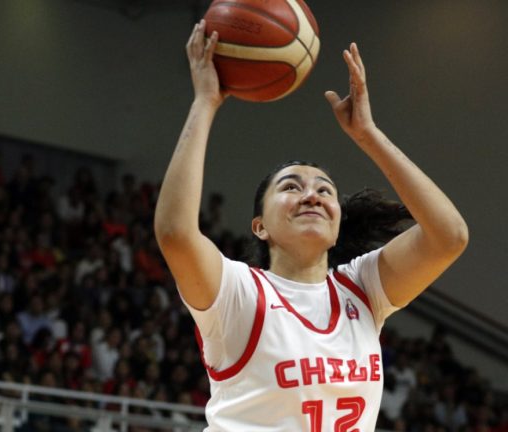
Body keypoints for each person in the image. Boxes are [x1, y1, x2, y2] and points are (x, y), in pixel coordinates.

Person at [153, 21, 468, 431]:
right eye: (291, 186)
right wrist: (205, 102)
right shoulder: (239, 293)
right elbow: (176, 233)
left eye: (325, 190)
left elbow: (450, 236)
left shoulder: (362, 290)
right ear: (259, 226)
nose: (312, 195)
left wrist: (368, 136)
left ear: (337, 225)